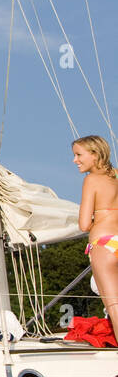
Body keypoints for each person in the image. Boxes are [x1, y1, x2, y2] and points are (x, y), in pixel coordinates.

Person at [73, 135, 118, 320]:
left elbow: (84, 224)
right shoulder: (116, 175)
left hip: (104, 244)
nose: (75, 160)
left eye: (78, 154)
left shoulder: (91, 180)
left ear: (94, 154)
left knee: (114, 307)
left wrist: (96, 222)